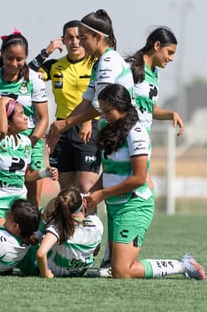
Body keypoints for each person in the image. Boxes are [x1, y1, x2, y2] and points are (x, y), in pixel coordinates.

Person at [86, 84, 204, 280]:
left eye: (108, 111)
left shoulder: (136, 132)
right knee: (117, 268)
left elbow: (139, 178)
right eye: (102, 111)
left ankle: (183, 264)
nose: (103, 116)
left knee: (122, 271)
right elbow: (109, 170)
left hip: (134, 204)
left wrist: (102, 194)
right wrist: (91, 194)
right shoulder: (107, 127)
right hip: (115, 204)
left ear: (122, 107)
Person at [47, 9, 134, 154]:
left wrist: (66, 123)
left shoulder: (108, 61)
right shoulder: (98, 63)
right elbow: (86, 100)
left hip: (124, 132)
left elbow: (99, 107)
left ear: (98, 37)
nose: (79, 43)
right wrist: (61, 128)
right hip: (112, 131)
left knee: (133, 176)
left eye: (83, 38)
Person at [29, 20, 100, 192]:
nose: (75, 42)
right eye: (70, 38)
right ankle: (68, 220)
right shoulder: (55, 66)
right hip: (61, 130)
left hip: (88, 127)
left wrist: (88, 120)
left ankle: (88, 219)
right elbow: (25, 74)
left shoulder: (96, 64)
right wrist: (47, 51)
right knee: (67, 190)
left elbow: (102, 94)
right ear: (64, 40)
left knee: (86, 187)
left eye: (79, 37)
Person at [0, 30, 49, 208]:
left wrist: (28, 144)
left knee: (33, 199)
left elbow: (43, 119)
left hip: (30, 140)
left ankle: (35, 234)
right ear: (2, 55)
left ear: (26, 58)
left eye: (20, 59)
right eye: (10, 58)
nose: (14, 63)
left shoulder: (34, 80)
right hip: (0, 142)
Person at [0, 96, 58, 219]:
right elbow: (1, 131)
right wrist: (2, 102)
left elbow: (27, 175)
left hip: (18, 204)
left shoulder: (25, 143)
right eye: (21, 114)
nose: (26, 117)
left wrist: (45, 172)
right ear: (9, 122)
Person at [18, 187, 103, 278]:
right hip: (78, 271)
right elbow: (96, 250)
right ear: (84, 203)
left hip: (53, 270)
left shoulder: (59, 227)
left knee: (20, 239)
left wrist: (45, 273)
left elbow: (41, 254)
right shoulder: (96, 223)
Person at [125, 26, 184, 135]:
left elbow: (150, 109)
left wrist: (171, 115)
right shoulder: (128, 68)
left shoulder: (155, 73)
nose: (171, 59)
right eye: (169, 52)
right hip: (126, 136)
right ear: (157, 46)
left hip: (144, 137)